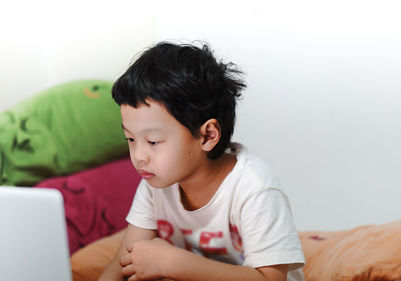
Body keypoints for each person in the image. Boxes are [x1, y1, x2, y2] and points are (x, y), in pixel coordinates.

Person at [98, 41, 305, 281]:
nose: (139, 156)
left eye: (153, 141)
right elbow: (122, 264)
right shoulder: (155, 184)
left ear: (207, 135)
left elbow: (270, 279)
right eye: (130, 139)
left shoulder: (254, 189)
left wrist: (174, 263)